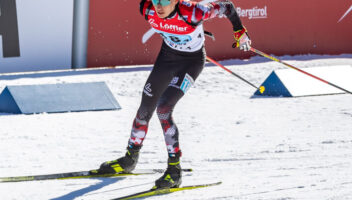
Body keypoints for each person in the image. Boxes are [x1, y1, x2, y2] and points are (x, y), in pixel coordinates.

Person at [97, 0, 251, 189]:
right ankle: (130, 159)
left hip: (191, 62)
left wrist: (239, 31)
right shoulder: (146, 8)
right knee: (145, 108)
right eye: (155, 0)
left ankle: (174, 171)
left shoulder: (194, 12)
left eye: (164, 1)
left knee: (163, 109)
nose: (158, 6)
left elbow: (227, 6)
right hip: (167, 57)